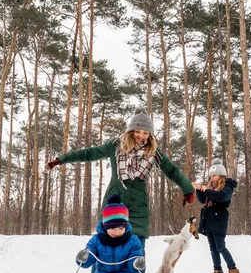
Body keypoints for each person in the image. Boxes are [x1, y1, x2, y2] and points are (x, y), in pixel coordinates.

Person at [46, 107, 195, 251]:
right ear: (131, 131)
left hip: (138, 207)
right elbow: (89, 153)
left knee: (136, 251)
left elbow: (172, 171)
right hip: (114, 202)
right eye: (137, 131)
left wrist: (187, 188)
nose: (141, 136)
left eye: (145, 133)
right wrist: (62, 159)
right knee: (105, 247)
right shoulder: (116, 146)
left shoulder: (154, 152)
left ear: (150, 134)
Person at [192, 158, 240, 273]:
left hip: (219, 219)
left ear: (221, 175)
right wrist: (199, 190)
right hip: (208, 219)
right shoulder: (211, 187)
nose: (212, 178)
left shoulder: (227, 186)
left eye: (214, 175)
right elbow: (203, 200)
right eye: (211, 175)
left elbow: (222, 197)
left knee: (220, 246)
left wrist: (206, 190)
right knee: (212, 248)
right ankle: (217, 271)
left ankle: (233, 269)